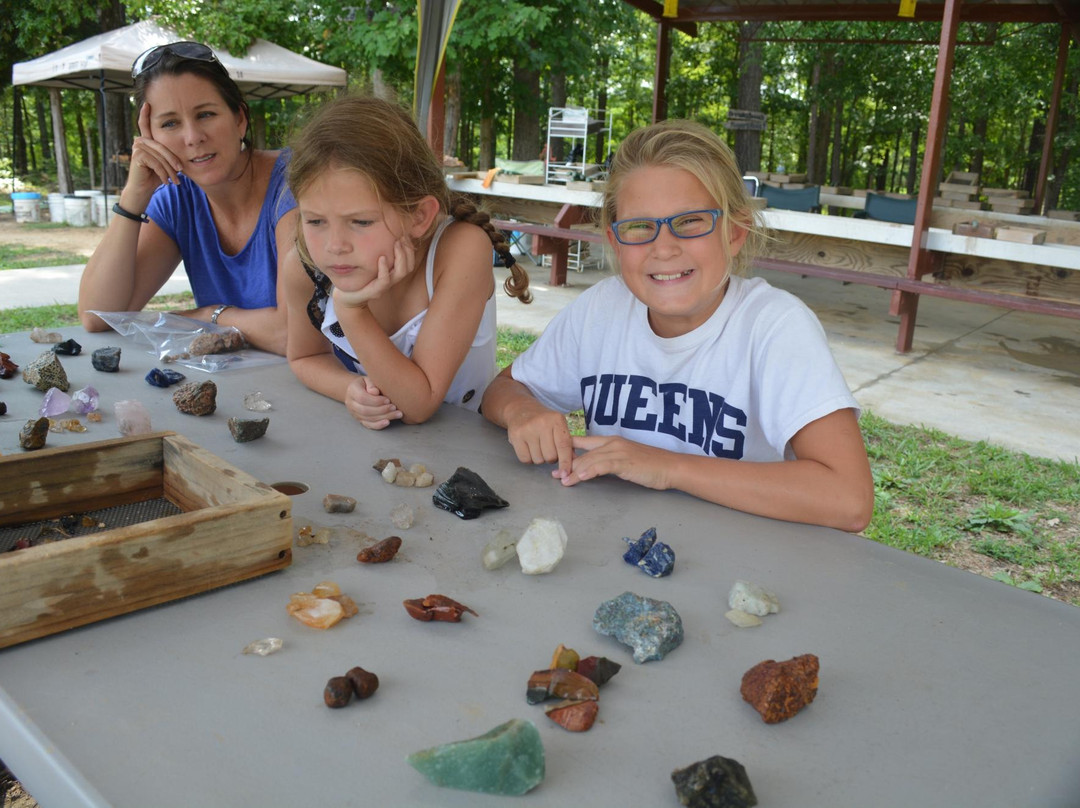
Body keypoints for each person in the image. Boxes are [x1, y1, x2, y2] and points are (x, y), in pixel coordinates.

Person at [481, 119, 874, 532]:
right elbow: (503, 390)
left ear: (735, 232)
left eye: (690, 222)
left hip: (743, 556)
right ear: (615, 242)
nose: (664, 248)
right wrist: (522, 411)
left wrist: (664, 467)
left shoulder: (774, 326)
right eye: (639, 227)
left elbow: (849, 498)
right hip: (612, 542)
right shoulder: (602, 309)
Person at [283, 95, 532, 429]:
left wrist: (352, 311)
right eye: (315, 221)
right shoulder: (305, 266)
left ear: (419, 216)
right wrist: (348, 389)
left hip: (466, 450)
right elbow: (304, 357)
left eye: (361, 222)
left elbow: (418, 403)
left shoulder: (459, 249)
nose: (334, 246)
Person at [78, 41, 298, 354]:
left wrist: (210, 315)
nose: (193, 137)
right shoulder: (177, 198)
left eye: (205, 114)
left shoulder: (296, 184)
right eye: (170, 123)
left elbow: (292, 333)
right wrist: (134, 196)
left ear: (240, 118)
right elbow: (97, 316)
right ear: (151, 137)